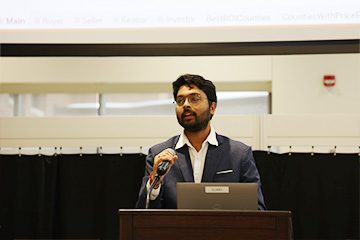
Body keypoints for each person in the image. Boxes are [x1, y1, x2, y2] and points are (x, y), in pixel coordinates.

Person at [135, 74, 266, 210]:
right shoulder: (160, 155)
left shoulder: (238, 154)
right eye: (180, 101)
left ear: (212, 107)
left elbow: (258, 209)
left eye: (194, 99)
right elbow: (143, 214)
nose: (185, 104)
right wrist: (154, 184)